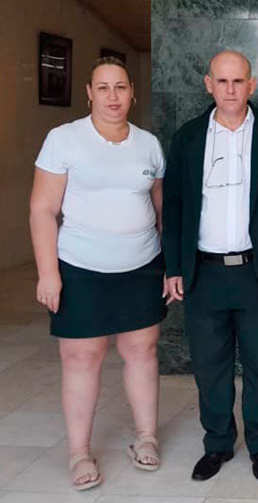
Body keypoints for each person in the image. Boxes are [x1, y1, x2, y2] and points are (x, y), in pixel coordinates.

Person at [162, 50, 258, 482]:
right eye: (222, 81)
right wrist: (174, 267)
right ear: (208, 83)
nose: (230, 90)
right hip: (202, 271)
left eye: (238, 82)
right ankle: (218, 444)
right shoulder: (188, 137)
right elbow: (174, 206)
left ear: (252, 85)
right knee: (210, 365)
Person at [30, 57, 167, 490]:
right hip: (80, 267)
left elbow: (161, 209)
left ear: (132, 92)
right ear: (88, 92)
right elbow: (42, 209)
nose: (113, 97)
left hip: (141, 265)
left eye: (121, 88)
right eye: (103, 88)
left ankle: (146, 437)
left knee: (142, 351)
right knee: (82, 358)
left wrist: (168, 267)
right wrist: (48, 273)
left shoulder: (149, 144)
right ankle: (79, 453)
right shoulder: (63, 139)